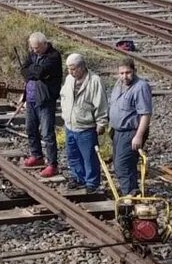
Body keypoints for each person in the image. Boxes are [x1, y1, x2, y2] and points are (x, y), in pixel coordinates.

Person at [59, 53, 107, 192]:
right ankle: (78, 178)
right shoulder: (69, 79)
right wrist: (65, 115)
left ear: (82, 67)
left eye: (73, 69)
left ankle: (92, 183)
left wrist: (101, 123)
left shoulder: (95, 81)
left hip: (86, 127)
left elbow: (101, 103)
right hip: (70, 125)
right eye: (69, 69)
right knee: (73, 156)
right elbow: (64, 97)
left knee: (89, 157)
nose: (70, 72)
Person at [107, 56, 153, 196]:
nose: (124, 76)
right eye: (121, 73)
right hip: (118, 131)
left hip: (131, 131)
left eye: (128, 73)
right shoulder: (119, 84)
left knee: (122, 165)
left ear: (134, 71)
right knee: (120, 164)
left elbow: (145, 114)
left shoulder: (140, 87)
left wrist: (138, 136)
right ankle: (132, 191)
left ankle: (130, 195)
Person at [20, 32, 63, 178]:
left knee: (47, 133)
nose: (34, 51)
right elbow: (24, 70)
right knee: (30, 128)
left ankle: (52, 164)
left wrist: (33, 71)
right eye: (32, 48)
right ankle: (36, 155)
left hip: (45, 99)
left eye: (37, 48)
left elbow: (40, 72)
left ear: (45, 44)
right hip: (30, 97)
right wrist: (33, 71)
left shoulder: (53, 56)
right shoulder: (32, 54)